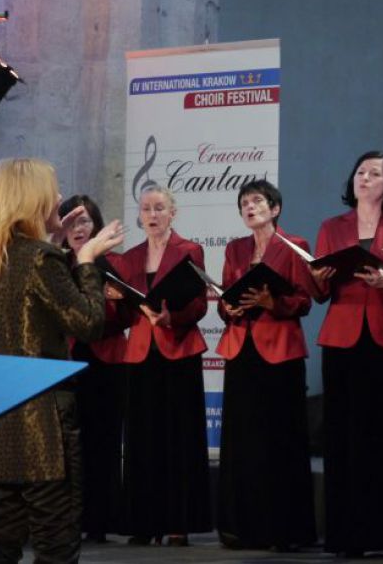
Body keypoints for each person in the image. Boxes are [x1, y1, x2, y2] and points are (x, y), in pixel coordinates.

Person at [0, 157, 124, 563]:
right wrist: (86, 261)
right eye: (52, 191)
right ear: (31, 199)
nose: (59, 197)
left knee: (0, 540)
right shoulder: (42, 258)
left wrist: (52, 237)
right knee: (56, 542)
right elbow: (88, 323)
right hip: (43, 421)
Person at [313, 151, 383, 558]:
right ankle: (349, 535)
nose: (363, 177)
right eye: (360, 171)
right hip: (343, 338)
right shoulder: (332, 227)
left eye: (373, 173)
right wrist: (318, 278)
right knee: (345, 439)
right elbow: (319, 292)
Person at [215, 179, 317, 551]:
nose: (249, 207)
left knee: (279, 439)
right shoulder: (235, 248)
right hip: (241, 348)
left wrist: (272, 303)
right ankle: (243, 528)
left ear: (275, 209)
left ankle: (283, 529)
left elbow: (304, 300)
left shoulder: (295, 245)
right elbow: (224, 298)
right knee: (243, 441)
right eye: (244, 202)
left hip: (280, 350)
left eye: (257, 201)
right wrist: (228, 307)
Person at [114, 184, 212, 546]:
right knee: (143, 439)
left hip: (179, 348)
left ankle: (177, 523)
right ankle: (144, 523)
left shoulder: (189, 250)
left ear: (173, 213)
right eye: (146, 209)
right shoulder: (129, 257)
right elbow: (126, 313)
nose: (152, 215)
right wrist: (116, 299)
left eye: (159, 208)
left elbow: (200, 303)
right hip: (141, 351)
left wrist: (174, 318)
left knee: (179, 438)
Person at [57, 194, 130, 544]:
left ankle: (100, 520)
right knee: (66, 446)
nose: (78, 229)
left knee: (103, 442)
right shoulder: (54, 264)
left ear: (96, 226)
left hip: (106, 360)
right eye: (71, 222)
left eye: (84, 221)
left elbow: (129, 314)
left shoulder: (114, 263)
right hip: (65, 362)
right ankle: (66, 518)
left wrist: (109, 306)